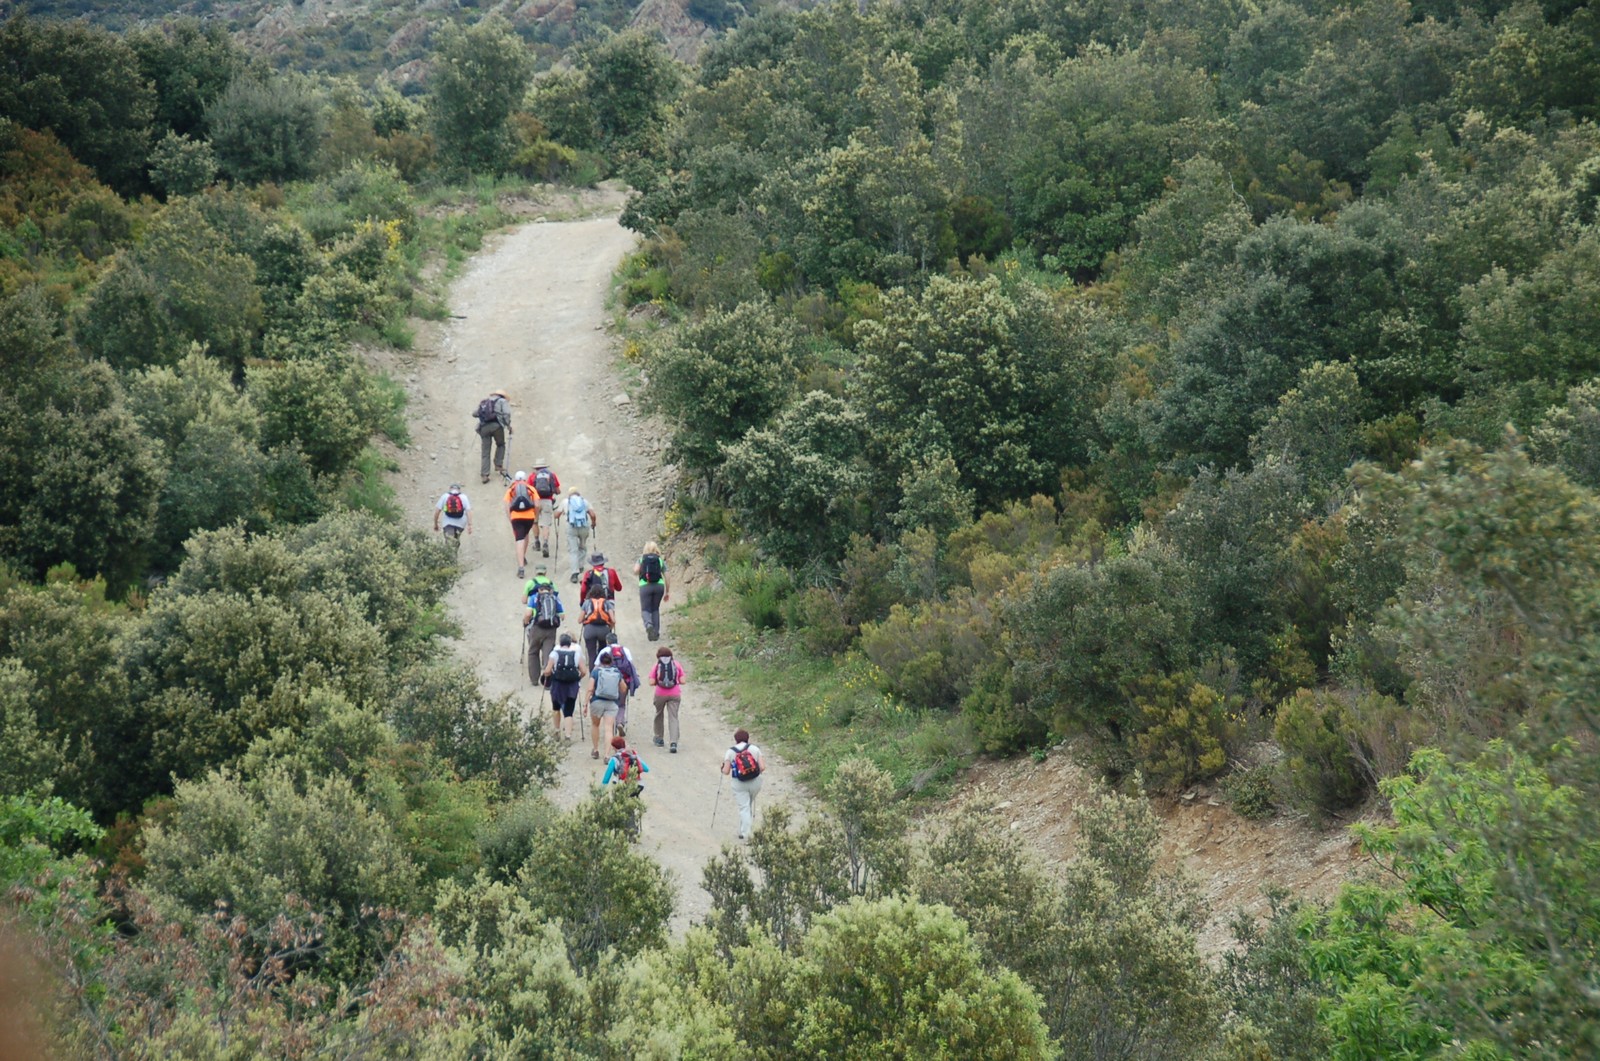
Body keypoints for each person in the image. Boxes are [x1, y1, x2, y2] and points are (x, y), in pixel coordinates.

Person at [541, 632, 588, 740]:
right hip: (572, 685)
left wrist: (546, 676)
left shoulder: (554, 654)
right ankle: (568, 735)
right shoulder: (576, 654)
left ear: (560, 643)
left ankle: (557, 730)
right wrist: (578, 678)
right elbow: (584, 671)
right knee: (569, 711)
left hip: (557, 684)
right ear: (570, 643)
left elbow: (547, 670)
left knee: (556, 708)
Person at [721, 728, 765, 841]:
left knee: (744, 807)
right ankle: (743, 830)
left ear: (736, 740)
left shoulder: (730, 752)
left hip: (739, 783)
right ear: (747, 738)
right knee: (747, 805)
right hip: (755, 782)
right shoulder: (755, 749)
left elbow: (726, 771)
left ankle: (746, 834)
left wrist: (722, 768)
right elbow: (762, 767)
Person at [586, 649, 629, 759]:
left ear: (600, 661)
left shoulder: (596, 672)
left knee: (595, 725)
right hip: (612, 703)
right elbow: (624, 688)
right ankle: (607, 755)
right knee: (609, 728)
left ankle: (595, 750)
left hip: (597, 702)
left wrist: (585, 704)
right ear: (611, 661)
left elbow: (590, 689)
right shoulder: (617, 672)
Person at [523, 567, 563, 684]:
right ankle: (547, 680)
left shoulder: (534, 597)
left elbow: (528, 613)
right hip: (551, 628)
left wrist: (526, 622)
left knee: (533, 652)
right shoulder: (555, 598)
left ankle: (534, 679)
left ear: (539, 590)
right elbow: (562, 615)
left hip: (537, 627)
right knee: (549, 653)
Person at [504, 470, 539, 578]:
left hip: (516, 517)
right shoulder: (531, 488)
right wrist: (535, 515)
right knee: (526, 535)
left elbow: (507, 505)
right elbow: (537, 504)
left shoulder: (511, 489)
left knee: (519, 539)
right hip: (529, 517)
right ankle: (522, 556)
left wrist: (510, 518)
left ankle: (521, 567)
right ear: (525, 479)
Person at [650, 646, 684, 753]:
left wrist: (659, 682)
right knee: (673, 717)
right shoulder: (676, 664)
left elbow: (651, 682)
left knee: (659, 714)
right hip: (675, 694)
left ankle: (659, 738)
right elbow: (683, 681)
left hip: (660, 694)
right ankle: (673, 742)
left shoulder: (657, 665)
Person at [558, 490, 597, 583]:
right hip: (584, 527)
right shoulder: (584, 501)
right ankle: (580, 565)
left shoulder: (566, 501)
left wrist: (561, 513)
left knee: (573, 550)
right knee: (582, 547)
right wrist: (593, 523)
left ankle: (574, 573)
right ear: (578, 494)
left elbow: (556, 515)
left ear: (570, 494)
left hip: (571, 527)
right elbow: (592, 514)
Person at [605, 632, 638, 738]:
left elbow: (597, 667)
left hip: (609, 682)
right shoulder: (625, 650)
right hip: (624, 681)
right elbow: (631, 666)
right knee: (621, 704)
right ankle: (619, 722)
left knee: (610, 704)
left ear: (607, 641)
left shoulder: (605, 651)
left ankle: (611, 727)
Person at [634, 541, 669, 641]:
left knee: (645, 609)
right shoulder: (660, 560)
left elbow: (635, 571)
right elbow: (667, 575)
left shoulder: (642, 559)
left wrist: (642, 570)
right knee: (655, 609)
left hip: (645, 586)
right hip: (659, 586)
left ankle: (649, 625)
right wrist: (667, 591)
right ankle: (656, 633)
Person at [474, 389, 511, 483]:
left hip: (484, 428)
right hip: (497, 426)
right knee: (500, 444)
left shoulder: (485, 402)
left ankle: (484, 475)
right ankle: (498, 464)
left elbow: (475, 414)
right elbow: (506, 413)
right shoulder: (502, 401)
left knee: (485, 452)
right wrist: (508, 425)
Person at [529, 459, 561, 558]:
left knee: (535, 522)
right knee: (545, 524)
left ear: (536, 467)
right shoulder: (552, 475)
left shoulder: (532, 476)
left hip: (535, 502)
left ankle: (537, 542)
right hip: (547, 501)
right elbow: (558, 491)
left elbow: (528, 491)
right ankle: (545, 543)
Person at [579, 585, 616, 668]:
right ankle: (602, 671)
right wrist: (610, 628)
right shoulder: (607, 603)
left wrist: (586, 619)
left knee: (591, 655)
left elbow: (579, 620)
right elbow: (613, 620)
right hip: (604, 630)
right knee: (602, 653)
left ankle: (593, 674)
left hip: (589, 630)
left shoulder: (587, 602)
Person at [433, 484, 472, 549]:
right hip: (460, 524)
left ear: (450, 489)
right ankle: (454, 552)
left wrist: (435, 524)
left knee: (449, 542)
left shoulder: (445, 496)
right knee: (455, 540)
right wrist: (470, 525)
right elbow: (468, 512)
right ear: (459, 489)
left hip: (447, 523)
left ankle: (450, 554)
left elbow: (437, 511)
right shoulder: (464, 497)